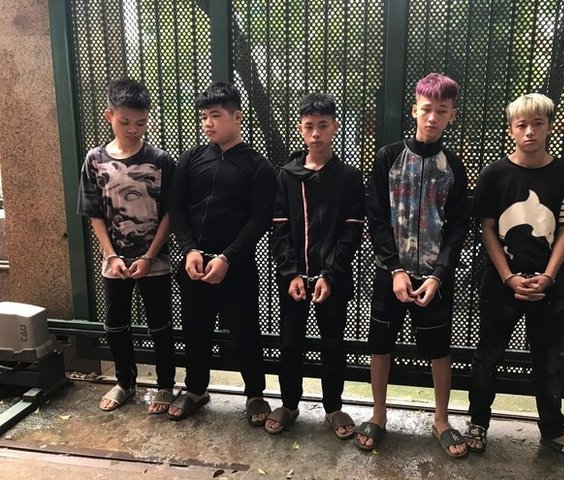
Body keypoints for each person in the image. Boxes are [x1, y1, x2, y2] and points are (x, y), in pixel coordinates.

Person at [465, 93, 564, 465]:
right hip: (500, 285)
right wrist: (508, 277)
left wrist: (548, 276)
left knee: (548, 361)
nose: (530, 132)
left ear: (550, 126)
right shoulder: (494, 174)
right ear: (511, 130)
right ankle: (478, 423)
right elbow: (488, 229)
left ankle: (554, 431)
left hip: (548, 287)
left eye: (538, 124)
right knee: (487, 357)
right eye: (521, 125)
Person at [355, 73, 469, 457]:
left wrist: (439, 275)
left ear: (451, 114)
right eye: (426, 109)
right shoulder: (388, 157)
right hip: (391, 273)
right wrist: (395, 269)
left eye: (442, 111)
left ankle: (441, 419)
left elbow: (458, 227)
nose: (432, 117)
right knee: (380, 345)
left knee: (439, 349)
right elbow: (375, 217)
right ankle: (379, 414)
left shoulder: (453, 166)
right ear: (414, 110)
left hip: (434, 277)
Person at [169, 81, 276, 424]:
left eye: (215, 115)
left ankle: (255, 394)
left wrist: (227, 257)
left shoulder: (258, 166)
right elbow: (177, 208)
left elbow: (260, 220)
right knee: (195, 331)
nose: (207, 123)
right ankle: (195, 391)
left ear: (237, 117)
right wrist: (189, 249)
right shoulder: (191, 159)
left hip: (236, 267)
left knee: (246, 333)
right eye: (204, 116)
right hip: (195, 265)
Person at [266, 93, 365, 438]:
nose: (316, 133)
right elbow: (279, 227)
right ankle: (289, 404)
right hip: (293, 279)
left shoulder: (349, 177)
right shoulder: (287, 175)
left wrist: (330, 274)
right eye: (309, 126)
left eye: (323, 125)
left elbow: (352, 231)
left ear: (334, 127)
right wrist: (290, 272)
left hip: (332, 279)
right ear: (300, 129)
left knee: (333, 343)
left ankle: (334, 407)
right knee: (290, 342)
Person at [77, 78, 176, 414]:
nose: (134, 129)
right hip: (114, 261)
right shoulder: (94, 160)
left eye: (141, 123)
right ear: (109, 116)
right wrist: (111, 255)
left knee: (160, 324)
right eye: (125, 122)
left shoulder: (160, 160)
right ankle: (125, 382)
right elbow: (94, 213)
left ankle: (165, 385)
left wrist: (149, 256)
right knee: (115, 323)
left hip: (155, 261)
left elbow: (170, 214)